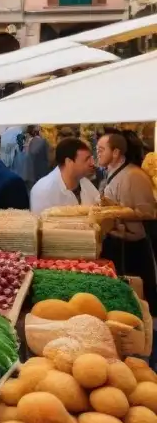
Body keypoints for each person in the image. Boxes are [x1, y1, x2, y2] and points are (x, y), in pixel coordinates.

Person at [96, 132, 157, 311]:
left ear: (115, 153)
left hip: (133, 247)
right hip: (117, 242)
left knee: (141, 298)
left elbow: (148, 212)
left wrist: (114, 212)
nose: (97, 154)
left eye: (101, 150)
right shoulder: (112, 173)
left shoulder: (134, 176)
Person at [30, 138, 100, 216]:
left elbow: (99, 208)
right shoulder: (43, 191)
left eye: (91, 158)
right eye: (87, 159)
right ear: (69, 162)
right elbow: (43, 225)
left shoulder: (85, 182)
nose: (92, 163)